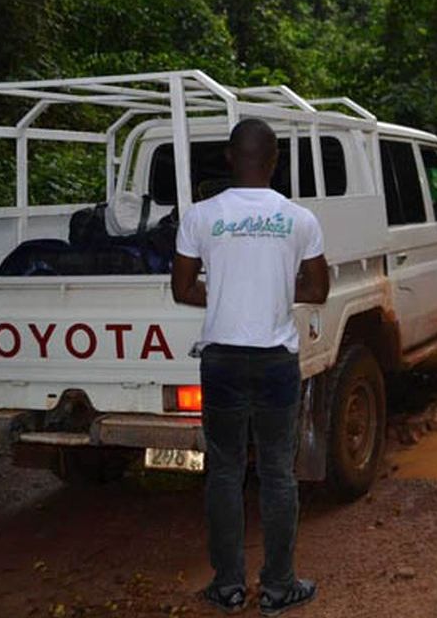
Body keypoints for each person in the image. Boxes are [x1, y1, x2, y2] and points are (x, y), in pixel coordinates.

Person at [172, 118, 329, 615]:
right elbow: (319, 289)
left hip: (221, 361)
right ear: (275, 159)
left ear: (228, 157)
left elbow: (180, 288)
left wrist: (222, 295)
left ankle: (228, 586)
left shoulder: (200, 215)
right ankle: (280, 586)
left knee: (224, 472)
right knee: (279, 475)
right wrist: (275, 293)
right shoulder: (300, 219)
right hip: (275, 362)